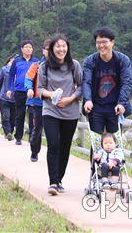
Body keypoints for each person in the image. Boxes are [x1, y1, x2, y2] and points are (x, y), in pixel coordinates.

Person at [37, 34, 83, 195]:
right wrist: (51, 95)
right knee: (53, 144)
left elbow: (82, 86)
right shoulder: (44, 67)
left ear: (67, 48)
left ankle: (59, 179)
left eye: (64, 46)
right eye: (57, 46)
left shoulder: (74, 65)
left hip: (70, 113)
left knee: (65, 146)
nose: (61, 49)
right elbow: (40, 89)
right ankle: (53, 182)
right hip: (50, 111)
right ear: (51, 49)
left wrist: (70, 99)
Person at [83, 27, 132, 136]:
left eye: (104, 42)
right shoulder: (90, 61)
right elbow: (86, 82)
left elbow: (126, 82)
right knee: (96, 145)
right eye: (98, 42)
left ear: (112, 43)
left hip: (115, 109)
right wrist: (87, 100)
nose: (101, 45)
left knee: (115, 145)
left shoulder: (123, 60)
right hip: (95, 108)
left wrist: (121, 103)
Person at [7, 40, 39, 145]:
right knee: (19, 114)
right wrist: (9, 89)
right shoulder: (16, 61)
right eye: (26, 47)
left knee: (32, 114)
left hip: (31, 92)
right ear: (21, 49)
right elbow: (11, 76)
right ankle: (18, 137)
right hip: (19, 91)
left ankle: (31, 136)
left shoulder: (36, 62)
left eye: (30, 47)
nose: (28, 49)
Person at [25, 38, 50, 162]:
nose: (50, 52)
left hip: (54, 103)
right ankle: (34, 151)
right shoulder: (36, 66)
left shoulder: (60, 66)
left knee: (54, 130)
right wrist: (29, 89)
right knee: (38, 127)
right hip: (38, 102)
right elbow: (28, 79)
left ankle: (54, 155)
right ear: (43, 51)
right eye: (47, 49)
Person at [0, 53, 17, 141]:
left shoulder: (19, 70)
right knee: (6, 116)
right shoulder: (4, 69)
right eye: (14, 59)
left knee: (13, 118)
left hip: (15, 98)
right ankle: (7, 132)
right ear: (10, 60)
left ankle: (10, 132)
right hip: (4, 97)